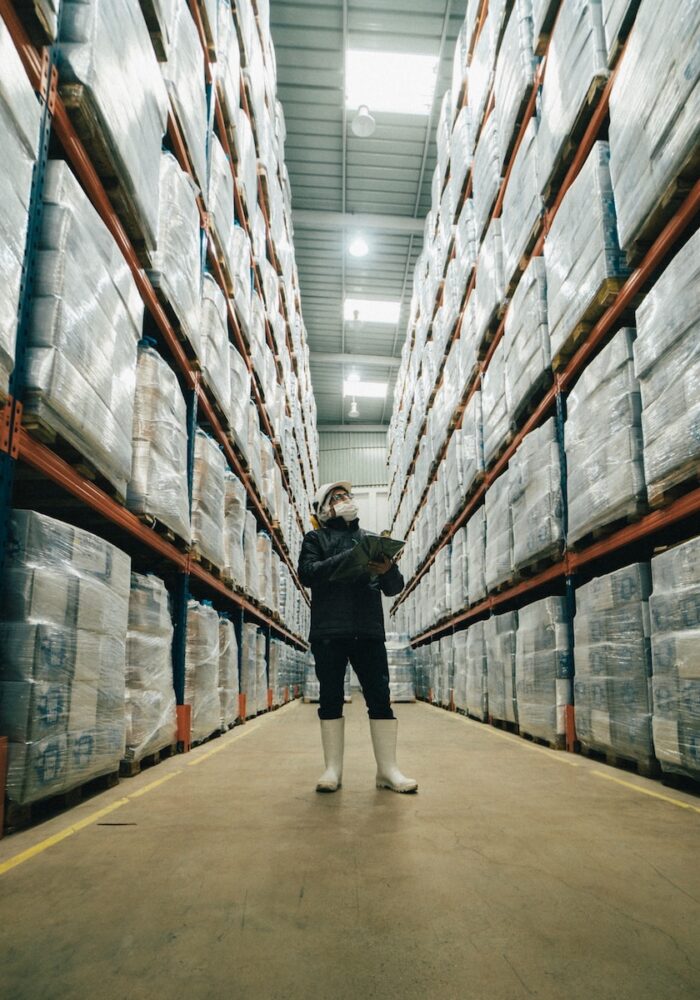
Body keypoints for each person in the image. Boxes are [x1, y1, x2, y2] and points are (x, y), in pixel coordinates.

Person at [298, 481, 418, 794]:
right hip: (330, 631)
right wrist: (351, 558)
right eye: (337, 497)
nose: (345, 500)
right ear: (323, 508)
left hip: (368, 630)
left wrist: (386, 568)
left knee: (380, 696)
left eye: (347, 496)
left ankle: (387, 770)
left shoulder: (370, 539)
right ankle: (332, 769)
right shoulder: (315, 538)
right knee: (331, 696)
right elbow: (308, 573)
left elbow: (394, 588)